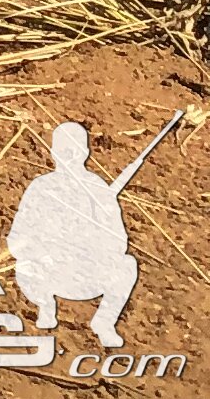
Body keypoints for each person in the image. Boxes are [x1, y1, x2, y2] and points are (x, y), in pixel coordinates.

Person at [8, 124, 143, 348]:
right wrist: (43, 248)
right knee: (24, 265)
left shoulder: (97, 188)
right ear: (53, 153)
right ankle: (45, 305)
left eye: (74, 151)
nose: (68, 158)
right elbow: (17, 237)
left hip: (87, 274)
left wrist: (91, 244)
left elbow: (119, 241)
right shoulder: (41, 187)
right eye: (63, 151)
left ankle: (104, 322)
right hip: (48, 274)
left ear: (85, 152)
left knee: (127, 265)